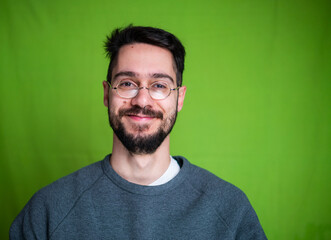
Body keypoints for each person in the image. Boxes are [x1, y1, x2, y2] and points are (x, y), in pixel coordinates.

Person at [10, 25, 267, 239]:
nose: (142, 100)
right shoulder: (48, 211)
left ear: (180, 98)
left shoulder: (231, 211)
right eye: (127, 83)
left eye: (159, 85)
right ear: (106, 93)